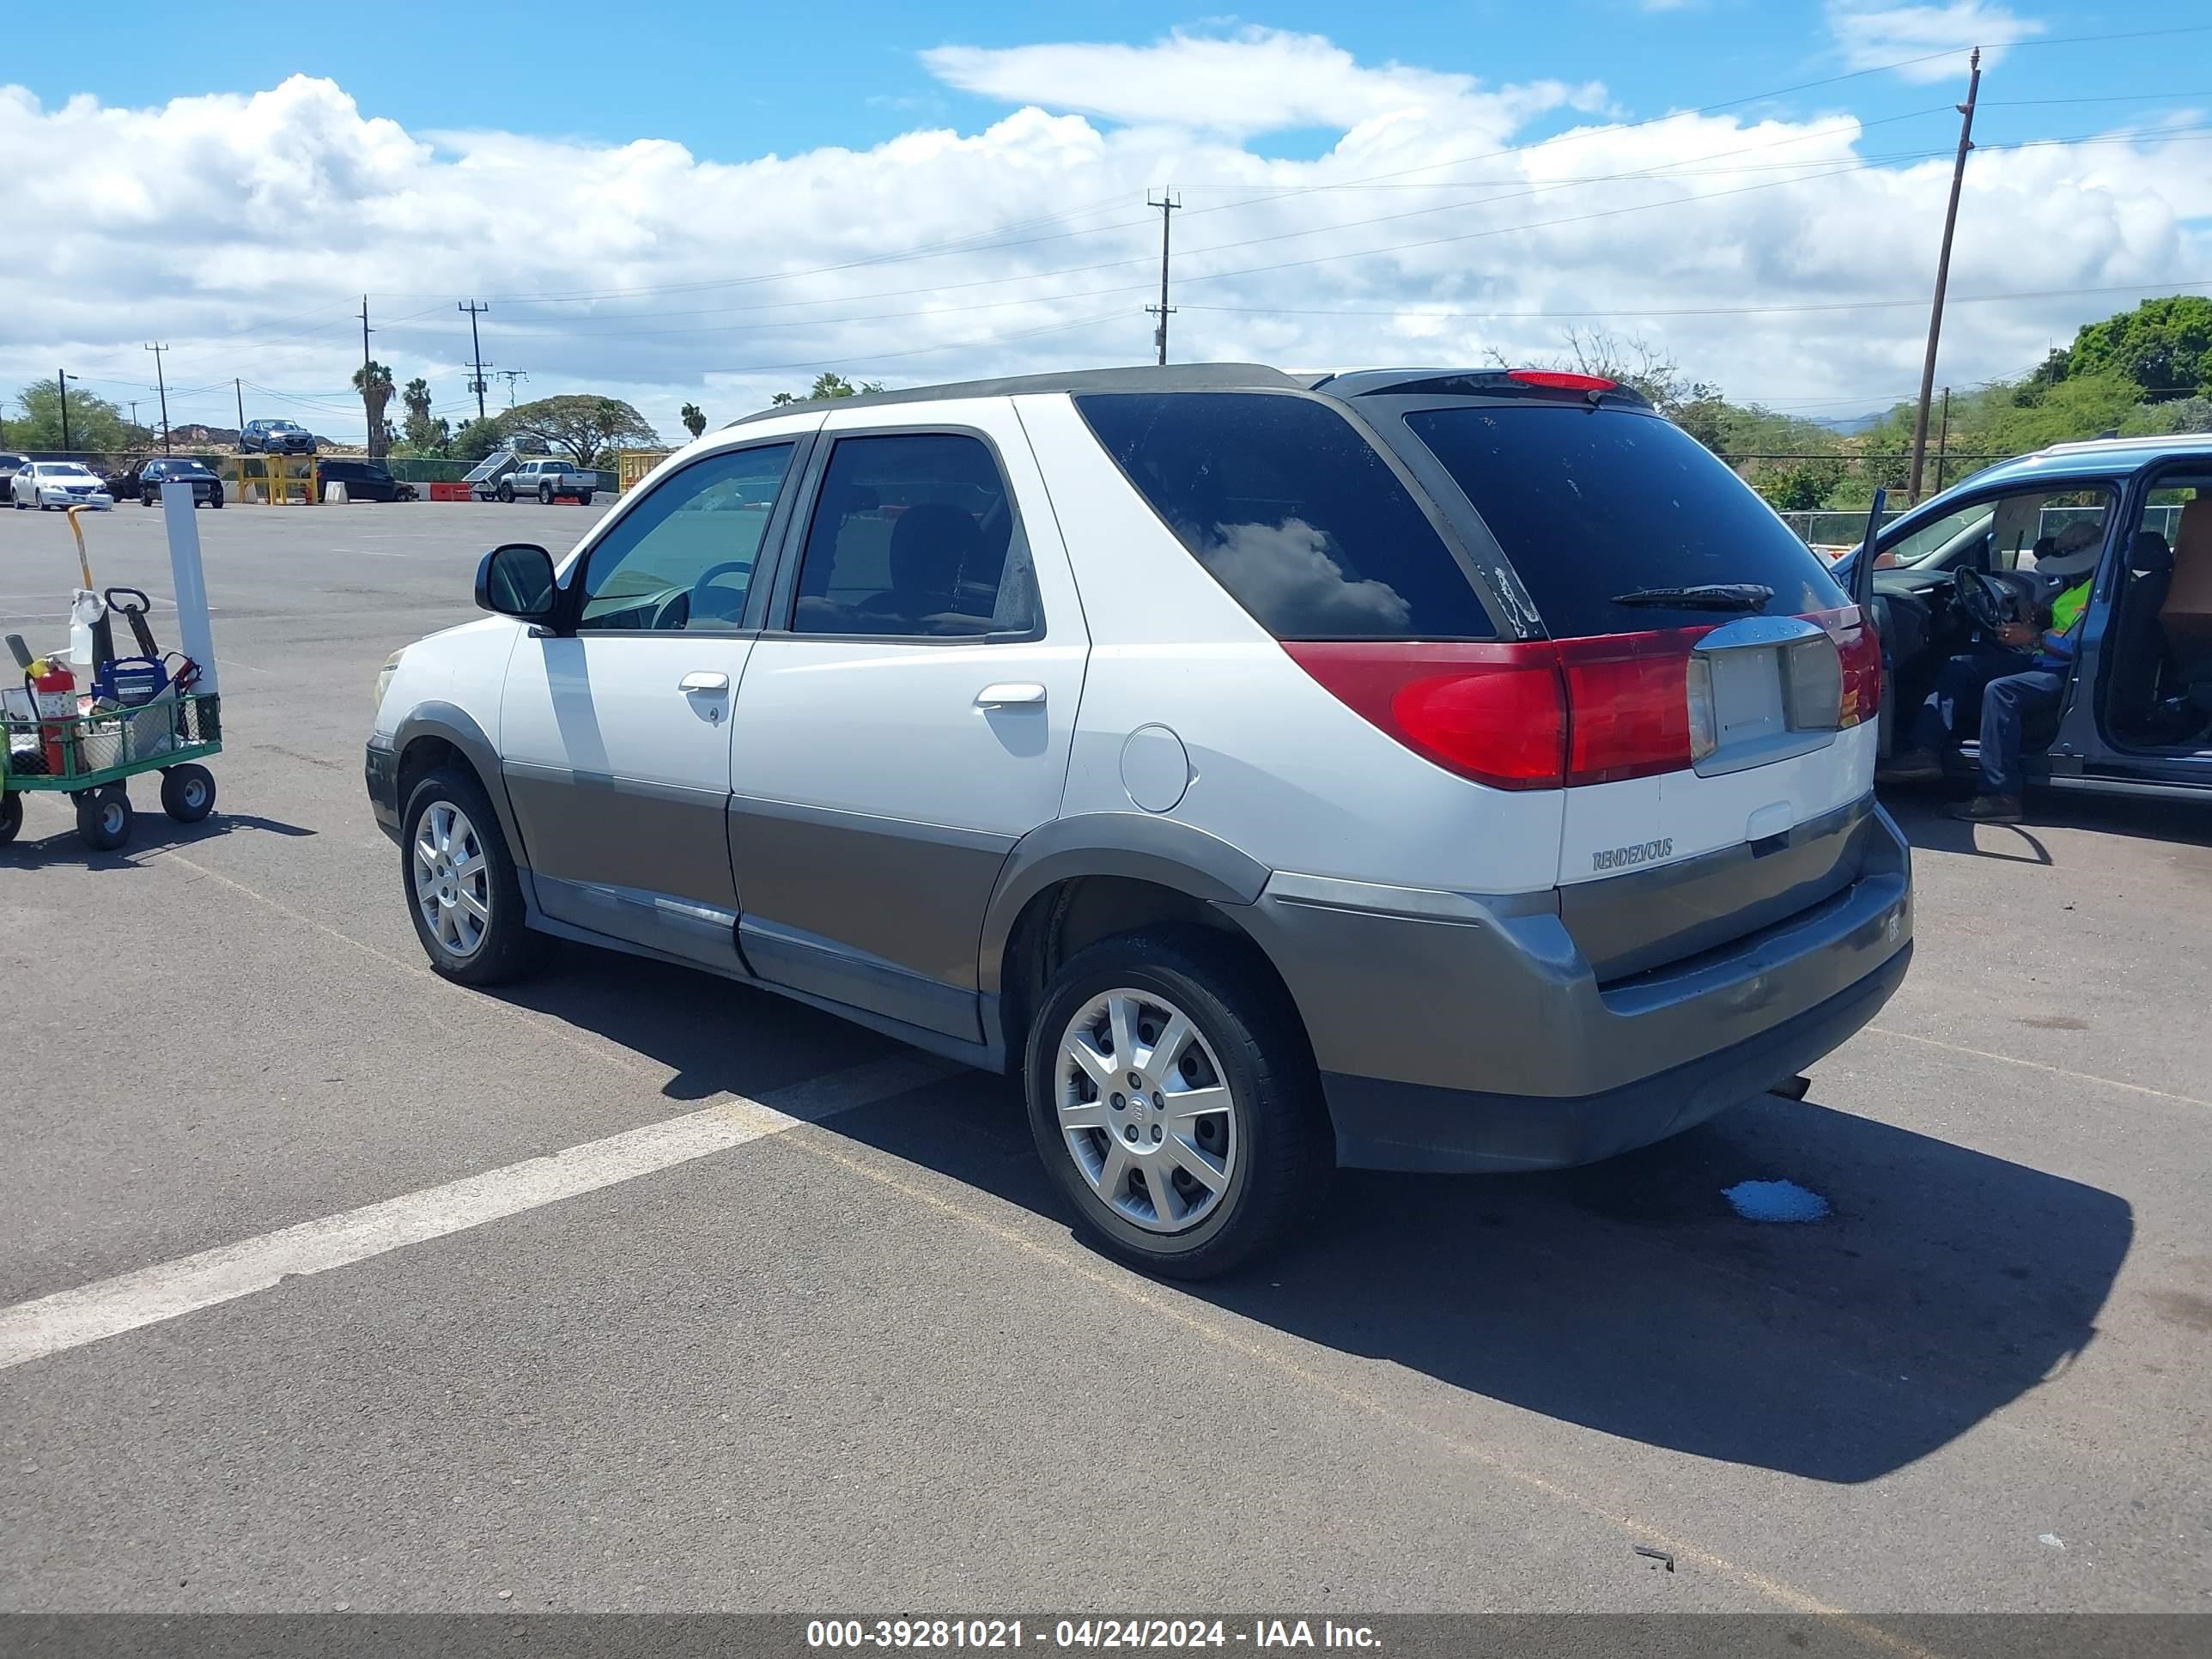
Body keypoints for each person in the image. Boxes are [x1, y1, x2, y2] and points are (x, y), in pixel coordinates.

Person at [1881, 520, 2102, 823]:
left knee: (2001, 690)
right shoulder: (2083, 584)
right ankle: (1925, 751)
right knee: (1961, 666)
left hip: (2066, 670)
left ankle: (2001, 794)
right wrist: (2041, 616)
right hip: (2045, 659)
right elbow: (2067, 623)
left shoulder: (2100, 590)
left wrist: (2033, 636)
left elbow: (2080, 644)